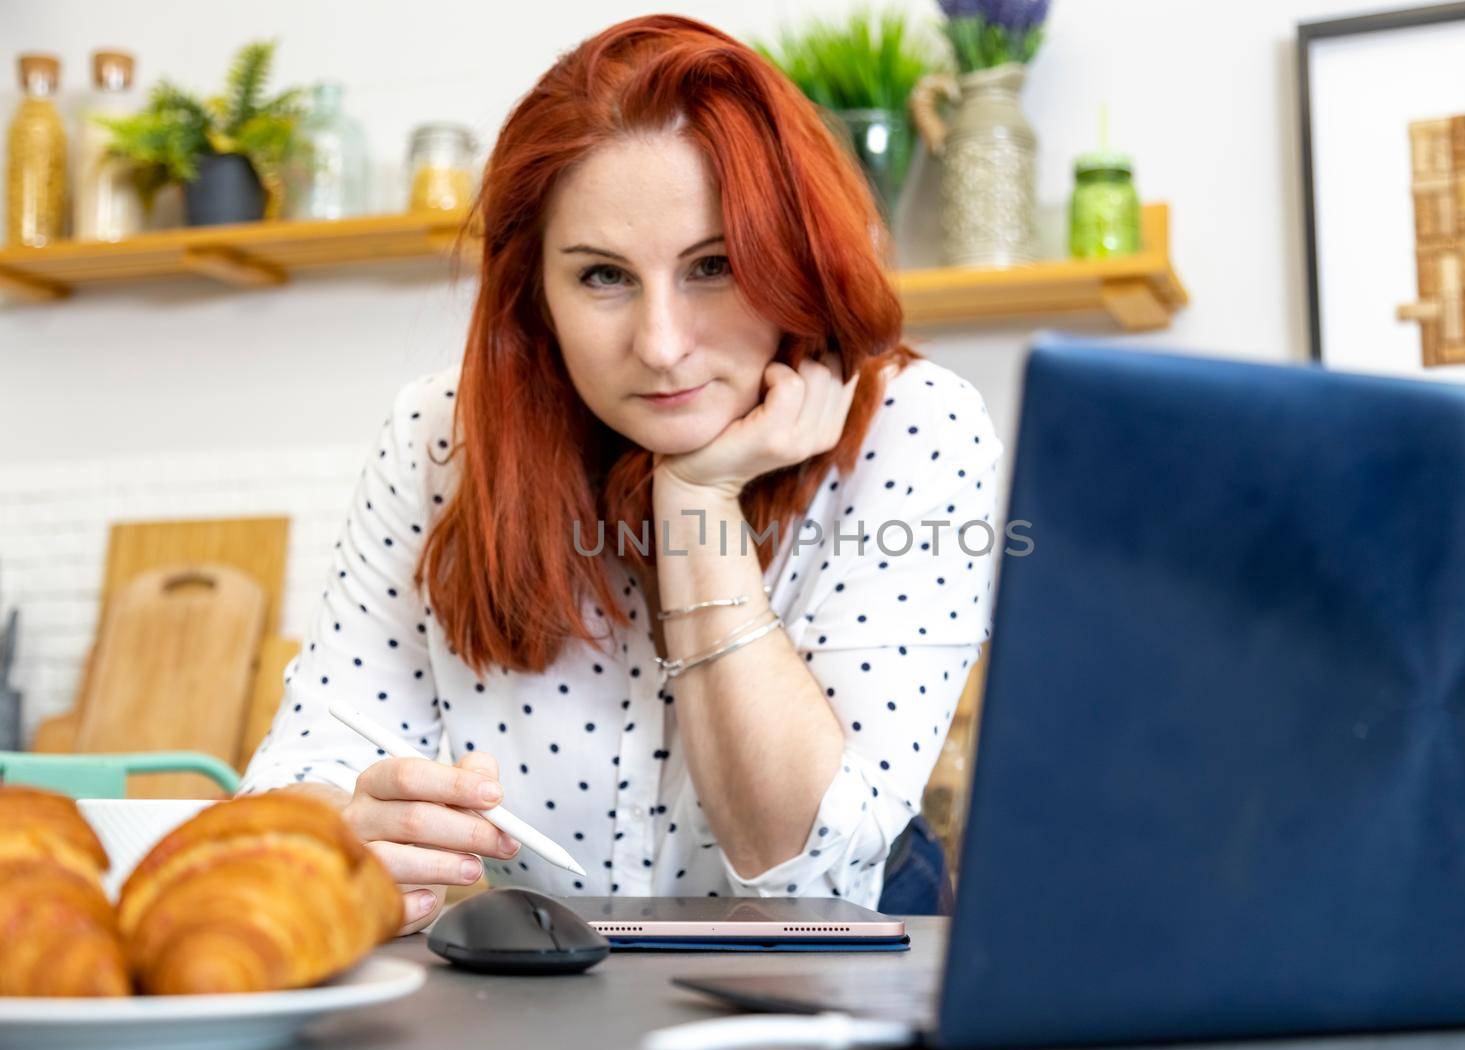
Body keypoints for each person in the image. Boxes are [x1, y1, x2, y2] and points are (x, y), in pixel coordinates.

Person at [239, 13, 1003, 936]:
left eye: (714, 266)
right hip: (555, 979)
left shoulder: (921, 428)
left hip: (851, 965)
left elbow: (805, 870)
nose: (662, 345)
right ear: (535, 292)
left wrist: (697, 500)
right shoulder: (442, 438)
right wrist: (344, 834)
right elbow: (299, 778)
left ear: (796, 258)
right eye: (603, 276)